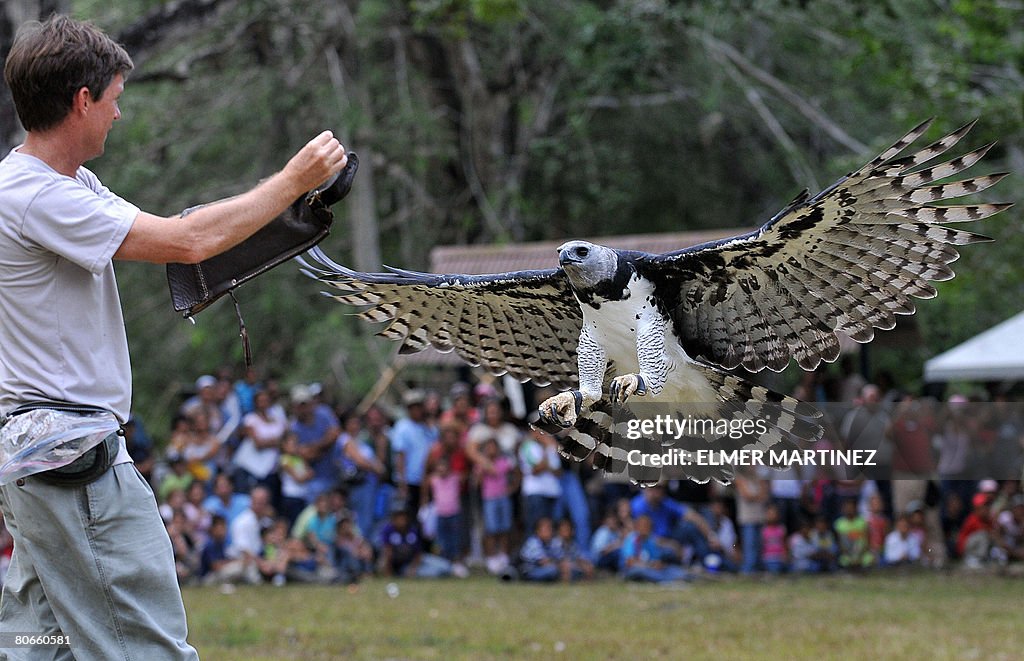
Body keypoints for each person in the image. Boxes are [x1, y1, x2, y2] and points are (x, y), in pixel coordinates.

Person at [0, 14, 343, 656]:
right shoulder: (34, 197)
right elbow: (188, 242)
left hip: (37, 461)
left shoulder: (59, 185)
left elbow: (185, 242)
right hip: (69, 455)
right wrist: (294, 179)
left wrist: (290, 216)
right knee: (147, 646)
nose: (118, 115)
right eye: (114, 101)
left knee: (35, 646)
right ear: (82, 101)